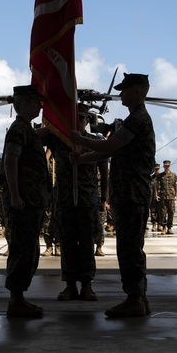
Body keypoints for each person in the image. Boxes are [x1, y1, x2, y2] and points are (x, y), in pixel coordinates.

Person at [71, 72, 156, 319]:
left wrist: (80, 140)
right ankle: (139, 297)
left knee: (129, 249)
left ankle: (134, 299)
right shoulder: (135, 119)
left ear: (139, 91)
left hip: (132, 194)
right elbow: (110, 153)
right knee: (132, 248)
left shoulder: (138, 120)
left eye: (126, 90)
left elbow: (108, 146)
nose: (121, 95)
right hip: (130, 195)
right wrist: (83, 158)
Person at [42, 104, 108, 302]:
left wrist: (104, 198)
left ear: (88, 121)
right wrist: (57, 125)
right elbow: (37, 136)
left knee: (87, 243)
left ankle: (87, 285)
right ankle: (70, 284)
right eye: (74, 118)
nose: (78, 122)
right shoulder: (58, 140)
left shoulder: (95, 141)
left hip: (88, 200)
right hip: (64, 199)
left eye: (81, 118)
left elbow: (104, 172)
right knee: (67, 243)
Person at [1, 85, 51, 318]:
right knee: (22, 250)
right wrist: (15, 195)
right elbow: (11, 161)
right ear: (23, 104)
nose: (41, 106)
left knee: (29, 249)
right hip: (24, 202)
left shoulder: (27, 130)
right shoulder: (18, 129)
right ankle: (16, 301)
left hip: (32, 201)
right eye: (36, 102)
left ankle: (19, 298)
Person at [156, 160, 177, 234]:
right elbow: (156, 186)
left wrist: (175, 195)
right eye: (165, 166)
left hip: (171, 197)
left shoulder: (174, 175)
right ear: (163, 166)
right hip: (163, 197)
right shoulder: (160, 176)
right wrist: (156, 195)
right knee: (162, 213)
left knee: (171, 212)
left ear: (170, 166)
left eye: (168, 166)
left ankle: (169, 228)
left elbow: (175, 186)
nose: (167, 167)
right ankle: (163, 227)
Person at [149, 163, 161, 232]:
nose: (156, 170)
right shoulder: (151, 178)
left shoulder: (162, 177)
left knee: (160, 212)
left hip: (160, 197)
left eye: (158, 169)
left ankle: (159, 224)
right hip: (152, 197)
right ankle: (153, 224)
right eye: (155, 169)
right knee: (153, 212)